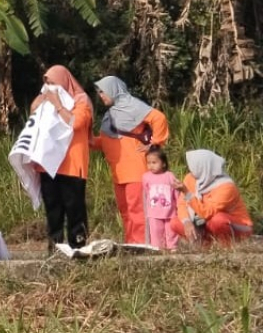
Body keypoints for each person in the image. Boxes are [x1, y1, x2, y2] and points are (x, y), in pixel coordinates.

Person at [91, 76, 170, 244]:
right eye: (98, 92)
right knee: (125, 211)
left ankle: (142, 245)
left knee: (137, 210)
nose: (100, 96)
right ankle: (131, 244)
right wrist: (89, 142)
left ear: (113, 90)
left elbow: (159, 118)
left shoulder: (132, 105)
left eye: (102, 91)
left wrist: (154, 143)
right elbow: (108, 141)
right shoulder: (110, 113)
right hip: (119, 172)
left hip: (135, 169)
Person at [30, 66, 92, 253]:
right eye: (46, 83)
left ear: (64, 82)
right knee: (53, 207)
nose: (50, 87)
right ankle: (55, 246)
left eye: (53, 83)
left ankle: (78, 245)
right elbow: (32, 112)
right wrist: (43, 97)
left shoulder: (81, 101)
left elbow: (76, 123)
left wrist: (58, 104)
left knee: (74, 207)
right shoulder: (46, 99)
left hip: (72, 164)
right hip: (49, 164)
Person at [173, 150, 253, 246]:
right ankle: (204, 244)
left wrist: (187, 193)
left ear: (204, 168)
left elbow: (206, 212)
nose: (191, 171)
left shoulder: (226, 187)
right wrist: (187, 222)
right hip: (203, 224)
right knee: (175, 222)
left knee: (218, 220)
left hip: (236, 226)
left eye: (194, 167)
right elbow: (182, 204)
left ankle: (226, 247)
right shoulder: (190, 178)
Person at [142, 147, 180, 251]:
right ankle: (158, 250)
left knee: (171, 232)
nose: (151, 165)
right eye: (148, 163)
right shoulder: (146, 177)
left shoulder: (169, 176)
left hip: (170, 213)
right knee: (156, 233)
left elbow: (176, 192)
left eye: (154, 162)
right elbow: (146, 193)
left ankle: (173, 249)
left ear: (163, 163)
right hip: (154, 213)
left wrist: (179, 207)